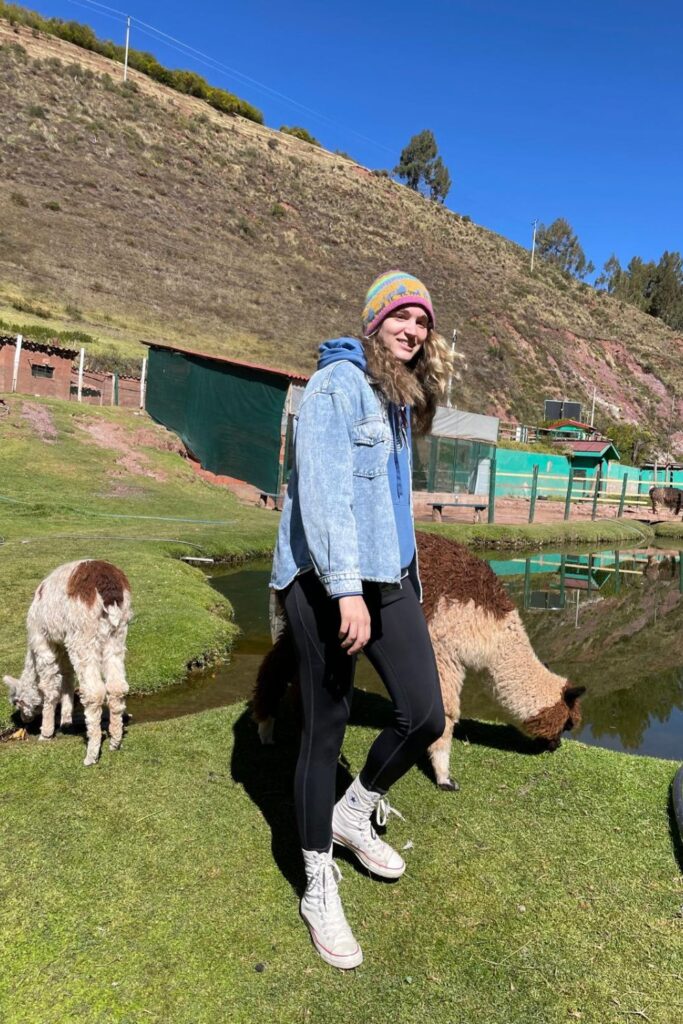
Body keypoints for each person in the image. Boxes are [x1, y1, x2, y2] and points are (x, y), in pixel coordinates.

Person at [270, 270, 453, 969]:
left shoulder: (398, 395)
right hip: (325, 579)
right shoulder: (336, 388)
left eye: (422, 321)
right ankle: (317, 880)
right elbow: (321, 499)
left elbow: (387, 502)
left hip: (387, 575)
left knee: (424, 712)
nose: (412, 329)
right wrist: (345, 589)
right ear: (373, 321)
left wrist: (401, 573)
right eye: (400, 317)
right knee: (325, 730)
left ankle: (354, 810)